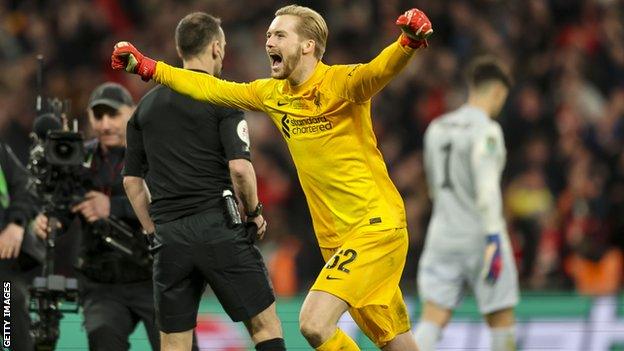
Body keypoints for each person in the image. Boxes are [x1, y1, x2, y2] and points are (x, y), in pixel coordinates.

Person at [112, 4, 433, 350]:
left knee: (313, 323)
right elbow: (208, 88)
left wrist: (407, 43)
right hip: (335, 238)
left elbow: (378, 71)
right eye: (268, 35)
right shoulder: (272, 94)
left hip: (375, 227)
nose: (268, 42)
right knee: (395, 342)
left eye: (279, 34)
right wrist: (149, 68)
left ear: (307, 45)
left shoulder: (342, 83)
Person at [122, 12, 284, 351]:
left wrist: (154, 231)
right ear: (214, 47)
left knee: (175, 344)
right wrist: (253, 211)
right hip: (217, 227)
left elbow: (132, 182)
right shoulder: (221, 96)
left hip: (169, 237)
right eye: (222, 47)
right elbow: (240, 168)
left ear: (181, 50)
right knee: (265, 327)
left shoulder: (144, 109)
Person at [33, 83, 163, 351]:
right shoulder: (79, 157)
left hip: (153, 277)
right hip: (101, 283)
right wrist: (50, 222)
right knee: (103, 340)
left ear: (132, 112)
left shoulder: (155, 153)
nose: (105, 125)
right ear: (90, 118)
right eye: (98, 116)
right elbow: (63, 206)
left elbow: (168, 204)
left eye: (113, 115)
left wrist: (113, 207)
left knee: (178, 346)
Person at [415, 57, 518, 351]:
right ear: (498, 92)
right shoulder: (487, 131)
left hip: (442, 234)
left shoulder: (437, 127)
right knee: (501, 318)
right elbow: (486, 191)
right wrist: (495, 238)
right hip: (481, 236)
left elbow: (433, 187)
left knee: (433, 316)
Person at [0, 142, 37, 351]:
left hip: (3, 263)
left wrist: (16, 224)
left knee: (10, 308)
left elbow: (26, 187)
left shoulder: (1, 153)